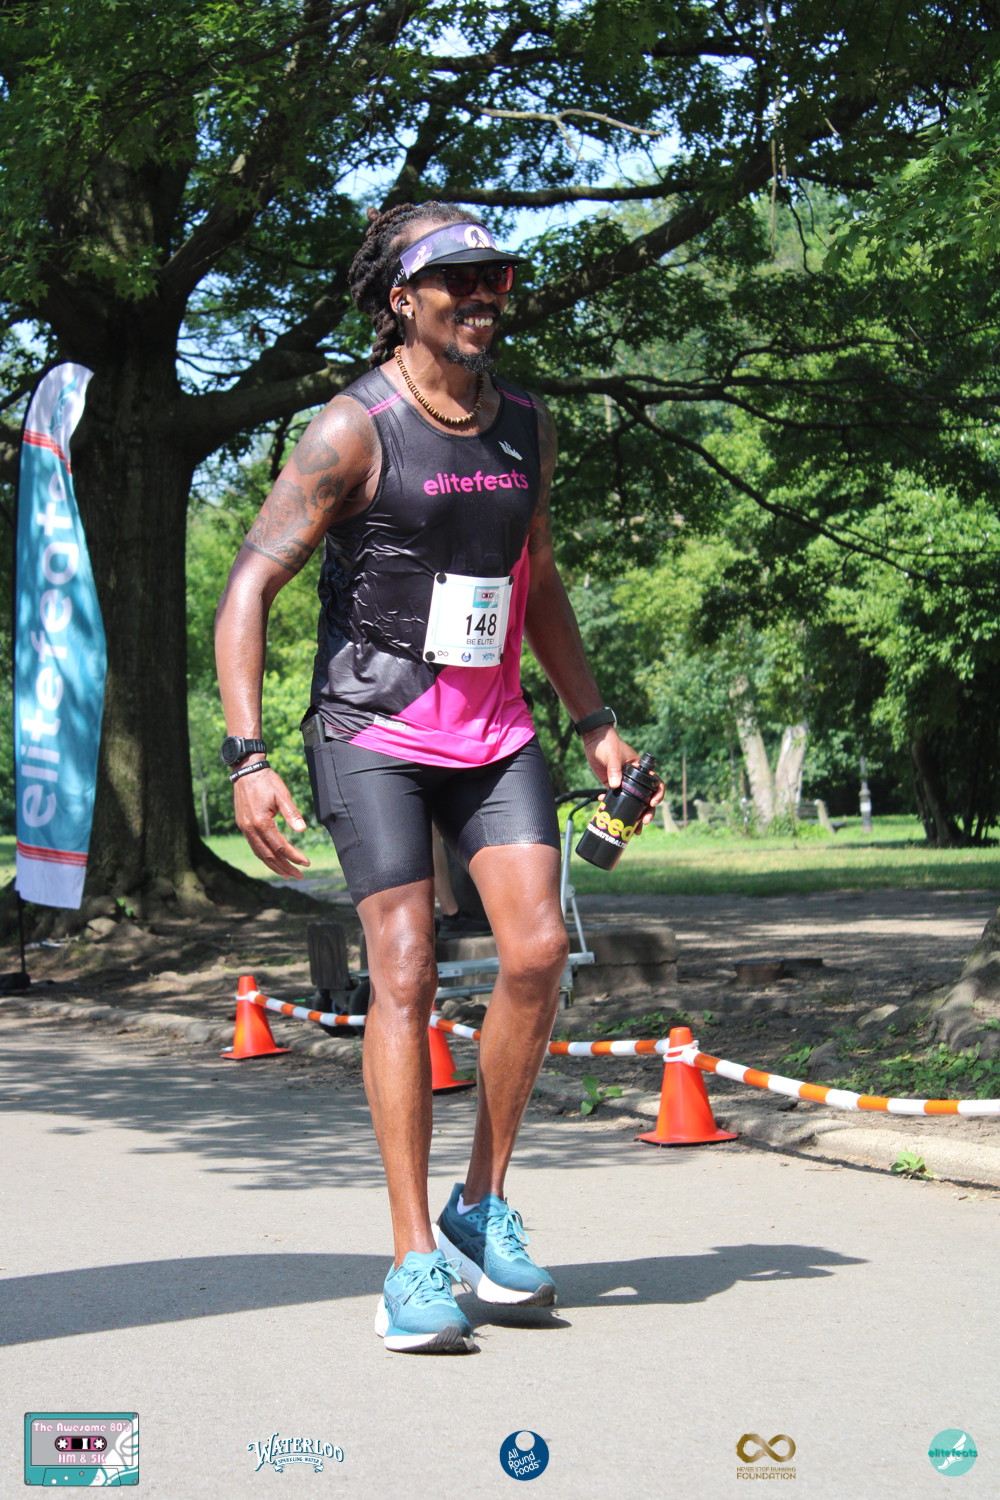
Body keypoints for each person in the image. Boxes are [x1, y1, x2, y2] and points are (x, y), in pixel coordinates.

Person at [215, 202, 661, 1354]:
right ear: (399, 300)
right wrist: (248, 756)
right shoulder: (351, 429)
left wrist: (595, 721)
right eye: (454, 279)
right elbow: (248, 586)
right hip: (372, 729)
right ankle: (412, 1257)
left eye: (494, 277)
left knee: (538, 953)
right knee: (405, 969)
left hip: (495, 730)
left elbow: (537, 576)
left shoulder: (528, 426)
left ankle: (479, 1204)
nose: (480, 296)